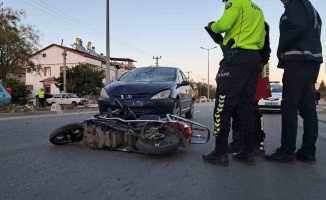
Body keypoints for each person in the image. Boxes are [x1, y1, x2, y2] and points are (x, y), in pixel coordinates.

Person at [202, 0, 266, 166]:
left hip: (236, 58)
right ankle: (248, 151)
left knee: (222, 105)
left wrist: (212, 26)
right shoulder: (258, 9)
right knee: (246, 107)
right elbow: (261, 38)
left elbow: (223, 25)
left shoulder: (235, 1)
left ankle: (220, 152)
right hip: (254, 60)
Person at [265, 0, 322, 163]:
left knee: (289, 106)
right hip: (311, 61)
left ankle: (287, 151)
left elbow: (297, 27)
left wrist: (281, 49)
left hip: (298, 60)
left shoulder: (296, 4)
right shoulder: (311, 8)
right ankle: (308, 152)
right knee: (308, 108)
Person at [229, 22, 272, 154]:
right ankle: (253, 142)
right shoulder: (261, 22)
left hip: (250, 66)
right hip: (258, 65)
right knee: (251, 106)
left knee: (243, 105)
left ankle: (245, 142)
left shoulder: (247, 21)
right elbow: (266, 50)